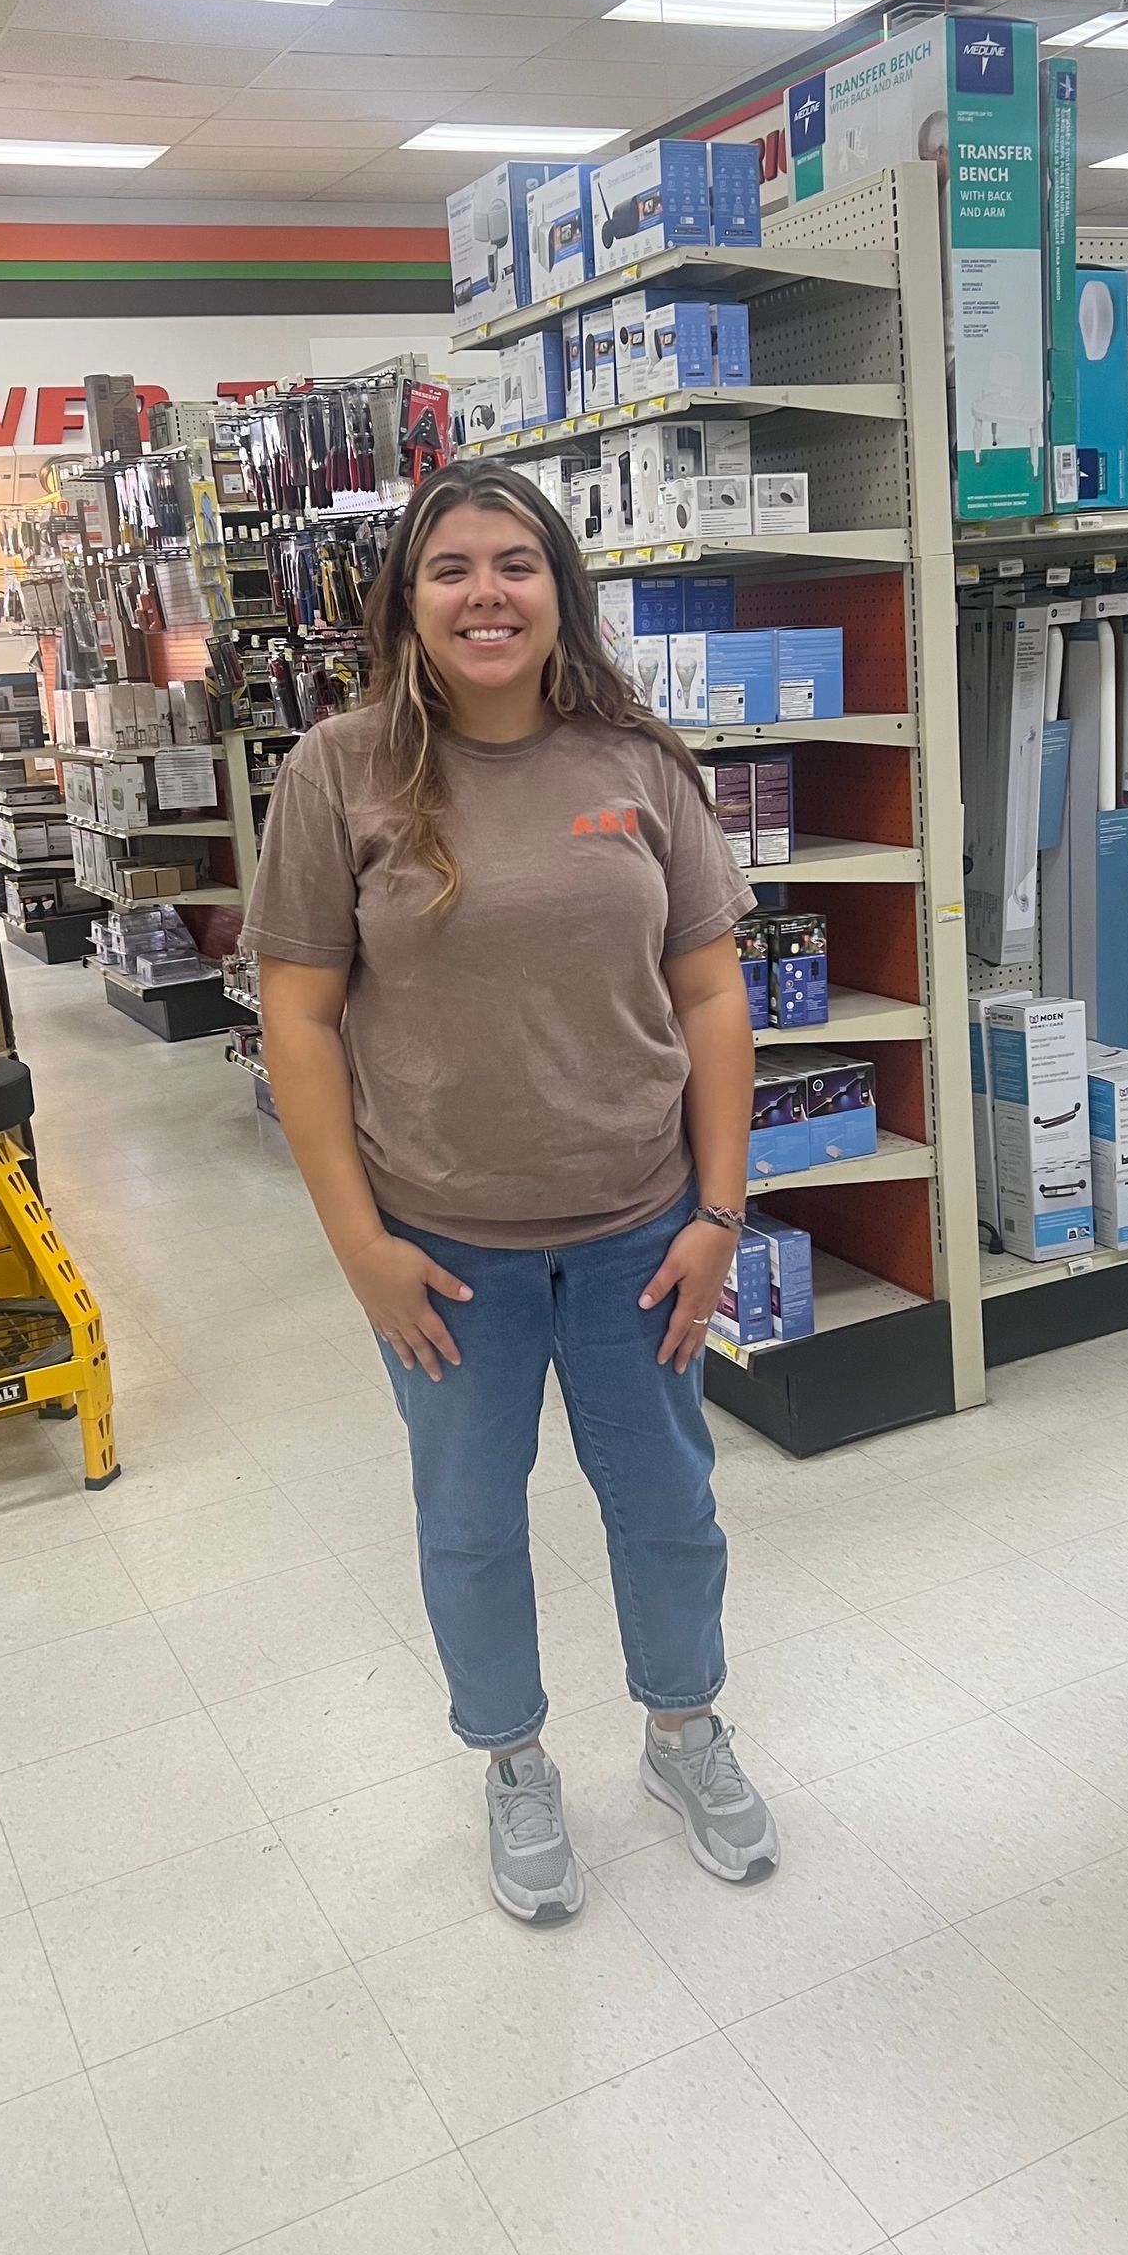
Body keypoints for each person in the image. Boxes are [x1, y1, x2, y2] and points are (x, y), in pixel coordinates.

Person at [245, 458, 778, 1924]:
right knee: (471, 1519)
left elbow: (714, 998)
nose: (487, 594)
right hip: (443, 1247)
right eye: (452, 569)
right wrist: (360, 1247)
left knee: (668, 1506)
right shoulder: (338, 772)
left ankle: (684, 1733)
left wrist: (719, 1216)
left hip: (639, 1234)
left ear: (561, 591)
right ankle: (515, 1762)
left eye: (516, 565)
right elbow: (298, 1020)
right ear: (407, 603)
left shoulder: (640, 764)